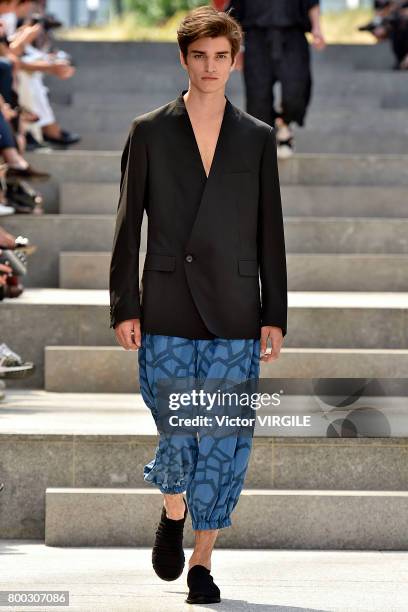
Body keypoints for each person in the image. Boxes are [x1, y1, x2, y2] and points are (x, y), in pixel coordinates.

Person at [109, 5, 287, 605]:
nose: (210, 67)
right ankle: (172, 509)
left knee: (226, 440)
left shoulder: (257, 137)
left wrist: (275, 312)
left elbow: (271, 232)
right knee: (178, 436)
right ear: (183, 59)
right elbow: (126, 224)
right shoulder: (150, 130)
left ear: (235, 62)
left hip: (236, 309)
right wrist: (123, 305)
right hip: (166, 305)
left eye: (221, 57)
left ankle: (204, 563)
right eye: (199, 56)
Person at [225, 0, 326, 158]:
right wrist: (235, 47)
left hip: (294, 36)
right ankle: (266, 142)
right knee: (258, 97)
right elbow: (234, 11)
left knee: (296, 91)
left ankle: (284, 124)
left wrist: (317, 28)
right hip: (256, 39)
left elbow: (311, 2)